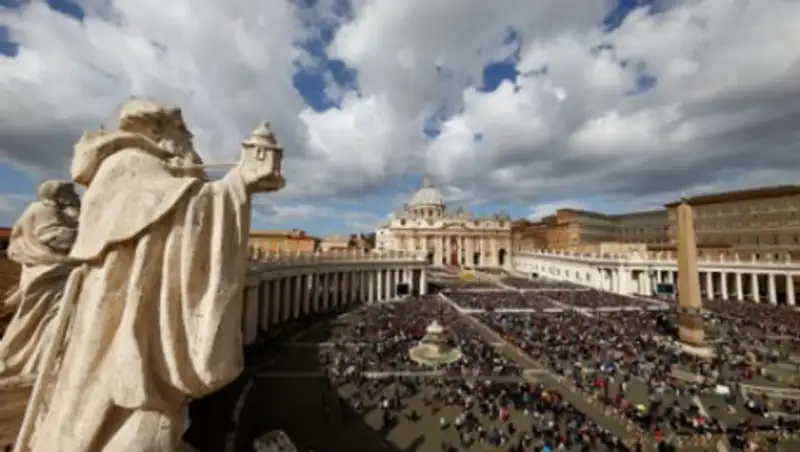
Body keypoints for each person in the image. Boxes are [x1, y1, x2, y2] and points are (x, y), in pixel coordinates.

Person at [26, 99, 284, 452]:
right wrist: (238, 183)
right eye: (183, 131)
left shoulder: (149, 167)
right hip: (123, 312)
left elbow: (174, 210)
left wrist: (233, 185)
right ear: (156, 130)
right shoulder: (129, 162)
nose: (189, 140)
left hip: (130, 303)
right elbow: (175, 214)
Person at [0, 180, 80, 375]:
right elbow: (52, 236)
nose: (76, 197)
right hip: (49, 273)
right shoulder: (45, 210)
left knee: (44, 319)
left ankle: (40, 359)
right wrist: (85, 234)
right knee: (51, 317)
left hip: (48, 271)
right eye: (71, 194)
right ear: (60, 195)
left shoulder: (45, 210)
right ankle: (39, 362)